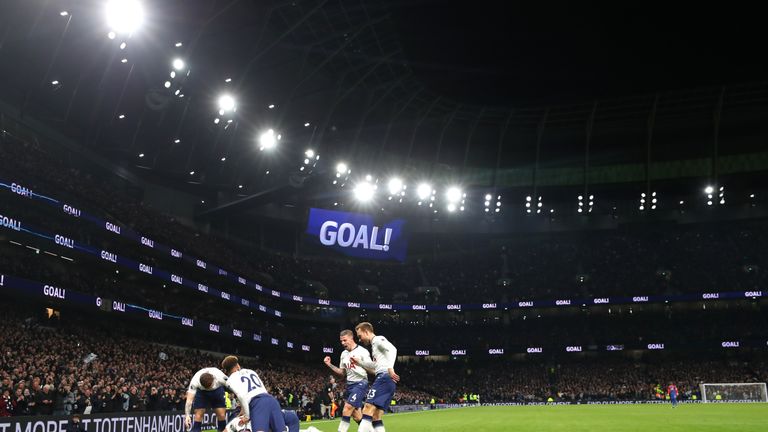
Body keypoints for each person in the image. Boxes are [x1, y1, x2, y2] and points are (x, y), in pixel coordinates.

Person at [220, 355, 293, 432]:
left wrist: (247, 416)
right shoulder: (251, 371)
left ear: (227, 371)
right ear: (238, 365)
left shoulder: (230, 380)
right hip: (271, 400)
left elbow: (242, 396)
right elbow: (261, 389)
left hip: (257, 403)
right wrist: (243, 410)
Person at [352, 322, 399, 432]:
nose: (359, 339)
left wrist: (390, 368)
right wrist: (360, 362)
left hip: (384, 377)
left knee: (367, 409)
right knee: (376, 416)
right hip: (387, 380)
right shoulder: (374, 346)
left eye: (360, 336)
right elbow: (375, 366)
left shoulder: (378, 339)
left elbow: (393, 349)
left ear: (367, 332)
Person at [323, 329, 372, 432]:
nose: (343, 343)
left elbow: (372, 369)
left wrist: (360, 362)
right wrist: (329, 365)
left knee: (347, 408)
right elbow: (342, 373)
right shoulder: (343, 354)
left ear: (351, 338)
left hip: (361, 382)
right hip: (349, 385)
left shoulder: (362, 351)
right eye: (341, 341)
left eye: (345, 340)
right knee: (357, 416)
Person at [185, 367, 230, 432]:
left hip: (217, 391)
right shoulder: (195, 381)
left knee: (221, 415)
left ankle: (222, 430)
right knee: (198, 415)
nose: (209, 389)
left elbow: (235, 389)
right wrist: (187, 416)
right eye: (207, 388)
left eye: (210, 386)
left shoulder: (220, 377)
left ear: (214, 380)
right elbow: (189, 400)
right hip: (202, 393)